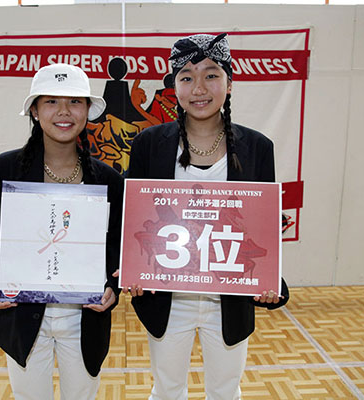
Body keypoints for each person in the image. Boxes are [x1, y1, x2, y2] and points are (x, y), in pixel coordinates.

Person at [124, 33, 290, 400]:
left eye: (211, 75)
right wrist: (131, 267)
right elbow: (133, 217)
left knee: (225, 392)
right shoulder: (149, 144)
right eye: (186, 77)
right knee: (167, 391)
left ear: (229, 83)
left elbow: (261, 223)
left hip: (229, 298)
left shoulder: (257, 147)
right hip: (167, 296)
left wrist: (266, 276)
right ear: (174, 86)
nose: (199, 88)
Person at [0, 63, 123, 400]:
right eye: (51, 101)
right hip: (22, 313)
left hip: (85, 318)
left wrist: (113, 287)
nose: (64, 112)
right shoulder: (7, 167)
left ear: (88, 110)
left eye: (75, 102)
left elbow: (116, 245)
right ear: (35, 110)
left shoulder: (109, 179)